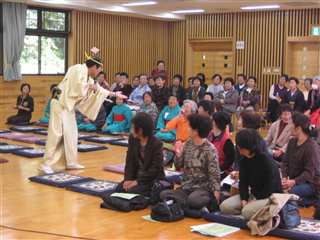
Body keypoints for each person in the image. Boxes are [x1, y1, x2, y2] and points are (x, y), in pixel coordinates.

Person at [40, 48, 127, 174]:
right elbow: (77, 86)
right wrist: (89, 87)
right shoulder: (77, 69)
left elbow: (98, 90)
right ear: (94, 67)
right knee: (57, 133)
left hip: (67, 106)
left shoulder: (88, 77)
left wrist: (114, 94)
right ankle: (46, 163)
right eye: (99, 70)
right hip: (59, 102)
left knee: (71, 133)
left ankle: (70, 162)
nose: (98, 73)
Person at [160, 114, 220, 213]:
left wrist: (216, 191)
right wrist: (178, 154)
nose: (188, 129)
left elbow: (214, 173)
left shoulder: (210, 149)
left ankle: (189, 205)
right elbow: (178, 165)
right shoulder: (188, 143)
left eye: (190, 127)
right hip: (187, 186)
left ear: (196, 131)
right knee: (163, 194)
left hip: (203, 188)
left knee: (194, 200)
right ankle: (190, 207)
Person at [220, 129, 283, 220]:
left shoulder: (266, 161)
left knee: (246, 212)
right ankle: (254, 213)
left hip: (270, 197)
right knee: (225, 207)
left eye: (240, 146)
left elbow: (270, 187)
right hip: (253, 195)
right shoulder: (244, 160)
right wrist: (244, 199)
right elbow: (243, 183)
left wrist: (254, 201)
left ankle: (258, 212)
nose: (238, 148)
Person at [116, 112, 165, 196]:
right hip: (137, 176)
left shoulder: (156, 144)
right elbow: (129, 161)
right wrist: (128, 179)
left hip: (151, 178)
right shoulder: (133, 139)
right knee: (120, 189)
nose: (131, 130)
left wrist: (137, 182)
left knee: (133, 192)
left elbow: (155, 169)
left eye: (133, 127)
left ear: (141, 130)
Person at [281, 112, 320, 204]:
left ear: (298, 128)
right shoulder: (292, 142)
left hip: (311, 184)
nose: (289, 126)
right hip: (293, 180)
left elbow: (309, 173)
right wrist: (284, 178)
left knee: (288, 194)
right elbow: (284, 162)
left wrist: (293, 182)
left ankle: (310, 200)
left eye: (291, 124)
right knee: (277, 188)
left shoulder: (312, 147)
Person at [208, 112, 235, 179]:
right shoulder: (210, 134)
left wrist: (216, 169)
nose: (210, 121)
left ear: (216, 123)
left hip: (221, 172)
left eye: (212, 120)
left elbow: (229, 161)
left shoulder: (227, 141)